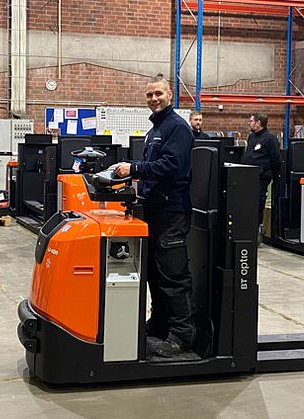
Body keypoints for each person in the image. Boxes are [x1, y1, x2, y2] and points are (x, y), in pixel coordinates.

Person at [114, 74, 196, 357]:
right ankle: (160, 323)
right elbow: (153, 165)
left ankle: (182, 334)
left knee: (173, 275)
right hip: (154, 210)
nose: (153, 99)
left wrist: (134, 169)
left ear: (170, 95)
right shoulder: (156, 129)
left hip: (172, 211)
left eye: (158, 94)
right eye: (149, 95)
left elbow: (169, 165)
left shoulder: (177, 128)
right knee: (155, 274)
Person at [241, 112, 282, 237]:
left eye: (252, 121)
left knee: (258, 203)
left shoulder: (270, 139)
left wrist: (274, 176)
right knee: (247, 202)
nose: (250, 123)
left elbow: (276, 159)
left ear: (259, 123)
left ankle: (256, 229)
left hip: (261, 177)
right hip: (249, 176)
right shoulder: (252, 137)